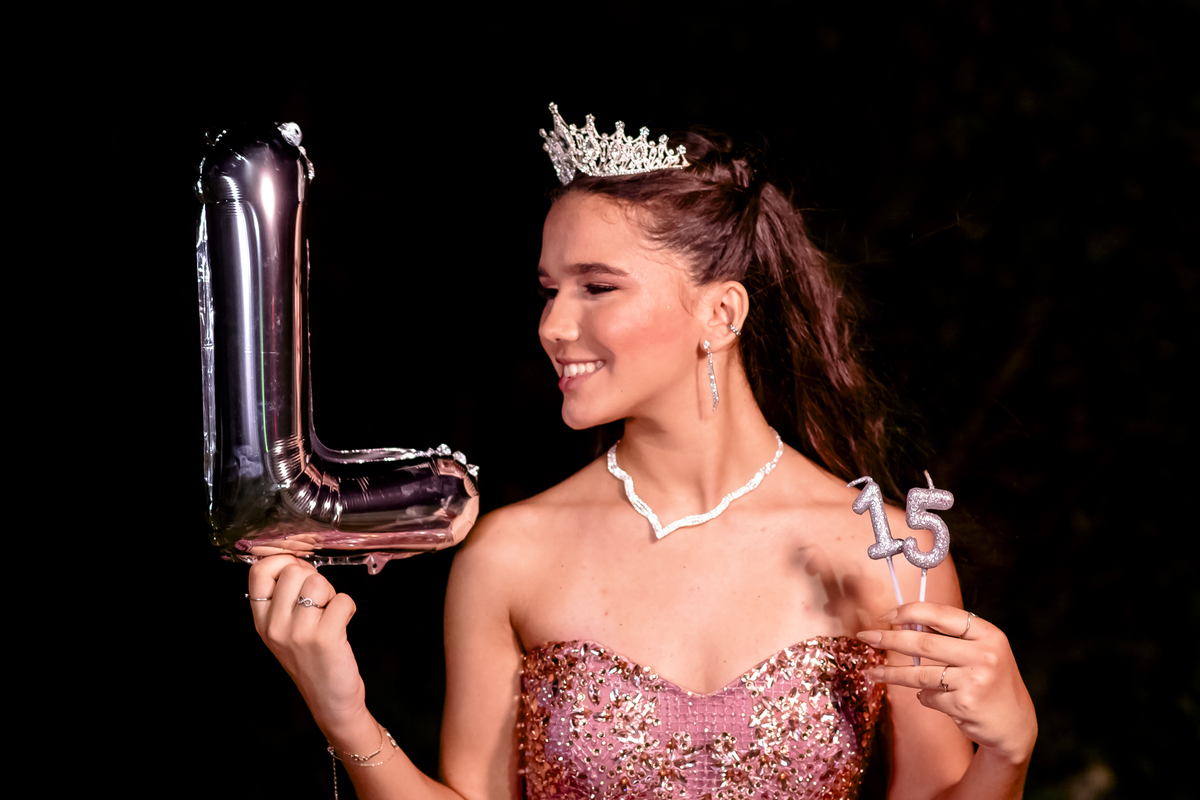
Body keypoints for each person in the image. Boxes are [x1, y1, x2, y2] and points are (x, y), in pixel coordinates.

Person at [247, 104, 1037, 800]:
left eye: (597, 287)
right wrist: (342, 711)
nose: (554, 326)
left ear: (721, 313)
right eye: (549, 290)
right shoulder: (510, 555)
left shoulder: (885, 550)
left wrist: (1007, 753)